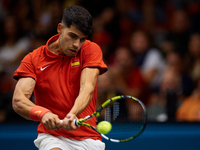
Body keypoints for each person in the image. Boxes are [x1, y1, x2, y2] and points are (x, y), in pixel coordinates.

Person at [12, 5, 107, 150]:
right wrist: (42, 114)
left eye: (82, 39)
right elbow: (19, 100)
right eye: (73, 36)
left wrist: (72, 114)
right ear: (60, 28)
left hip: (88, 138)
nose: (76, 45)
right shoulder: (33, 59)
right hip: (53, 137)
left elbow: (87, 87)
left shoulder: (90, 49)